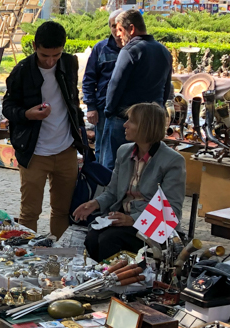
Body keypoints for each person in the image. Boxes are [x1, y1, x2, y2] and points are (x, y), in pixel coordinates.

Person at [1, 21, 88, 239]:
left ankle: (58, 253)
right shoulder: (22, 70)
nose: (50, 61)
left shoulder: (69, 63)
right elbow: (7, 107)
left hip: (66, 149)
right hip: (34, 151)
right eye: (44, 55)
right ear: (34, 46)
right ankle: (26, 253)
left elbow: (73, 100)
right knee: (30, 212)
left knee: (63, 210)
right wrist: (27, 114)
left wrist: (80, 128)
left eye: (56, 55)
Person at [74, 102, 185, 261]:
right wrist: (95, 203)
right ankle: (102, 273)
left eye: (131, 121)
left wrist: (133, 219)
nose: (125, 125)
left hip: (153, 225)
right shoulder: (124, 152)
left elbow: (172, 209)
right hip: (123, 218)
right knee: (92, 238)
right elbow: (112, 191)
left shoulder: (172, 161)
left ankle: (115, 275)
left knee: (108, 240)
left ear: (145, 126)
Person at [101, 9, 172, 170]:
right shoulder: (164, 51)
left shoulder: (130, 50)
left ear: (131, 29)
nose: (117, 34)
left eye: (120, 30)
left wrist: (109, 111)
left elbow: (115, 84)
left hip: (124, 120)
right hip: (151, 122)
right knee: (143, 169)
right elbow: (166, 87)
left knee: (113, 168)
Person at [82, 11, 122, 152]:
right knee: (102, 149)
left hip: (127, 109)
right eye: (113, 26)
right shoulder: (101, 48)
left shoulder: (135, 49)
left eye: (120, 26)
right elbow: (89, 79)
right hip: (103, 108)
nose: (116, 30)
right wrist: (91, 107)